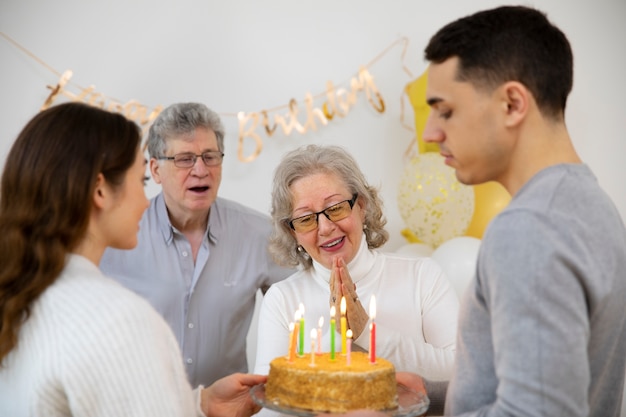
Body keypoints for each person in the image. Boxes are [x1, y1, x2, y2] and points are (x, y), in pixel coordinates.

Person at [326, 5, 626, 417]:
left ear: (512, 104)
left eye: (446, 110)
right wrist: (432, 393)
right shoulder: (590, 204)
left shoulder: (529, 229)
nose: (430, 133)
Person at [0, 102, 264, 417]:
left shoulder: (22, 298)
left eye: (210, 156)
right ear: (100, 191)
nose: (145, 201)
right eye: (140, 181)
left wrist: (200, 403)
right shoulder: (121, 319)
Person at [100, 102, 294, 387]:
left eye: (210, 156)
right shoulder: (119, 237)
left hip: (228, 410)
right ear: (155, 169)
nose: (200, 169)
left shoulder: (259, 233)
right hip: (142, 407)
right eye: (184, 158)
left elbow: (300, 309)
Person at [253, 144, 459, 383]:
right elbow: (269, 403)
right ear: (292, 232)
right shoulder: (282, 300)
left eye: (336, 208)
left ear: (361, 206)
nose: (326, 227)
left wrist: (365, 332)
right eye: (306, 219)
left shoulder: (422, 275)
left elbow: (462, 371)